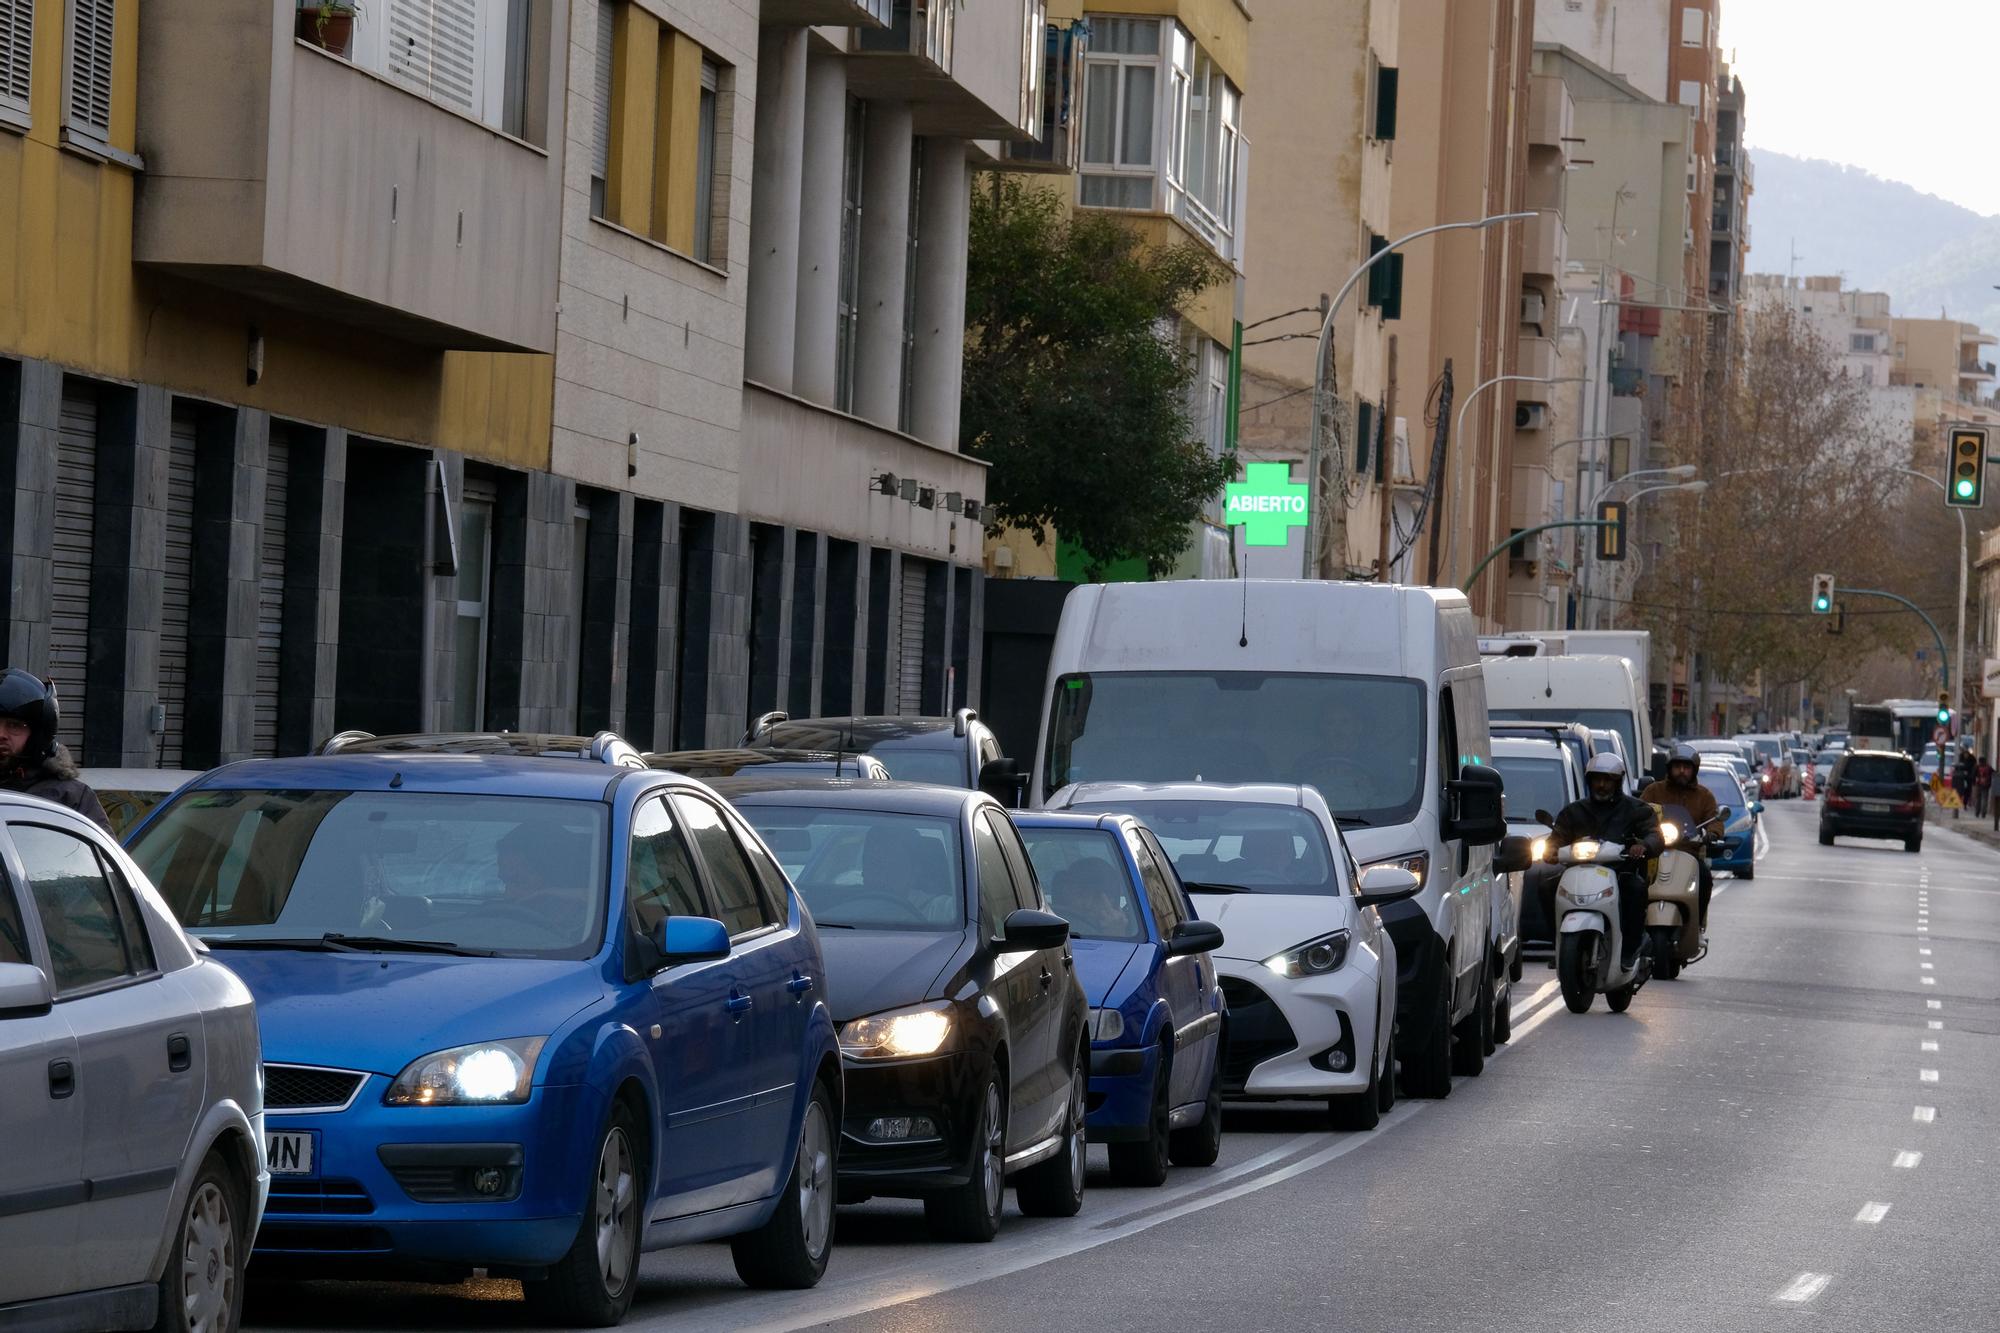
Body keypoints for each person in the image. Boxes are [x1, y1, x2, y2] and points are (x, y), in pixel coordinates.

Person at [1547, 753, 1663, 971]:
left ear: (1618, 782)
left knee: (1636, 890)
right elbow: (1557, 836)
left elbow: (1654, 835)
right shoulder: (1574, 811)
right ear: (1589, 781)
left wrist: (1643, 846)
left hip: (1620, 873)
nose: (1601, 785)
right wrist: (1551, 849)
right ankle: (1558, 946)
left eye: (1607, 780)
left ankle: (1629, 949)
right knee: (1545, 885)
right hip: (1578, 874)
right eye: (1596, 779)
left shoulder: (1636, 809)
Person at [0, 670, 110, 832]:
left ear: (37, 736)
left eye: (14, 725)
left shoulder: (70, 798)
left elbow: (92, 856)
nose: (1, 735)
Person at [1640, 743, 1719, 942]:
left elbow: (1715, 819)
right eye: (1677, 766)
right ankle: (1633, 924)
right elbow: (1638, 812)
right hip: (1653, 852)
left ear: (1694, 769)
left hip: (1688, 853)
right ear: (1669, 768)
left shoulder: (1704, 796)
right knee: (1632, 881)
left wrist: (1712, 833)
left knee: (1705, 878)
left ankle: (1697, 924)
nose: (1681, 771)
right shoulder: (1653, 790)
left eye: (1686, 767)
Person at [1952, 747, 1976, 820]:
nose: (1966, 755)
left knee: (1967, 791)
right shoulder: (1960, 758)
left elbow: (1973, 768)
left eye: (1967, 754)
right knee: (1959, 791)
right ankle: (1958, 803)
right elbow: (1957, 767)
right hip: (1961, 778)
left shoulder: (1972, 759)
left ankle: (1965, 804)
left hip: (1968, 778)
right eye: (1965, 754)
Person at [1980, 754, 1995, 822]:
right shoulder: (1989, 767)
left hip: (1979, 784)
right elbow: (1994, 772)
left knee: (1979, 798)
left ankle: (1979, 811)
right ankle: (1983, 812)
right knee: (1984, 798)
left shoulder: (1977, 767)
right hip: (1986, 784)